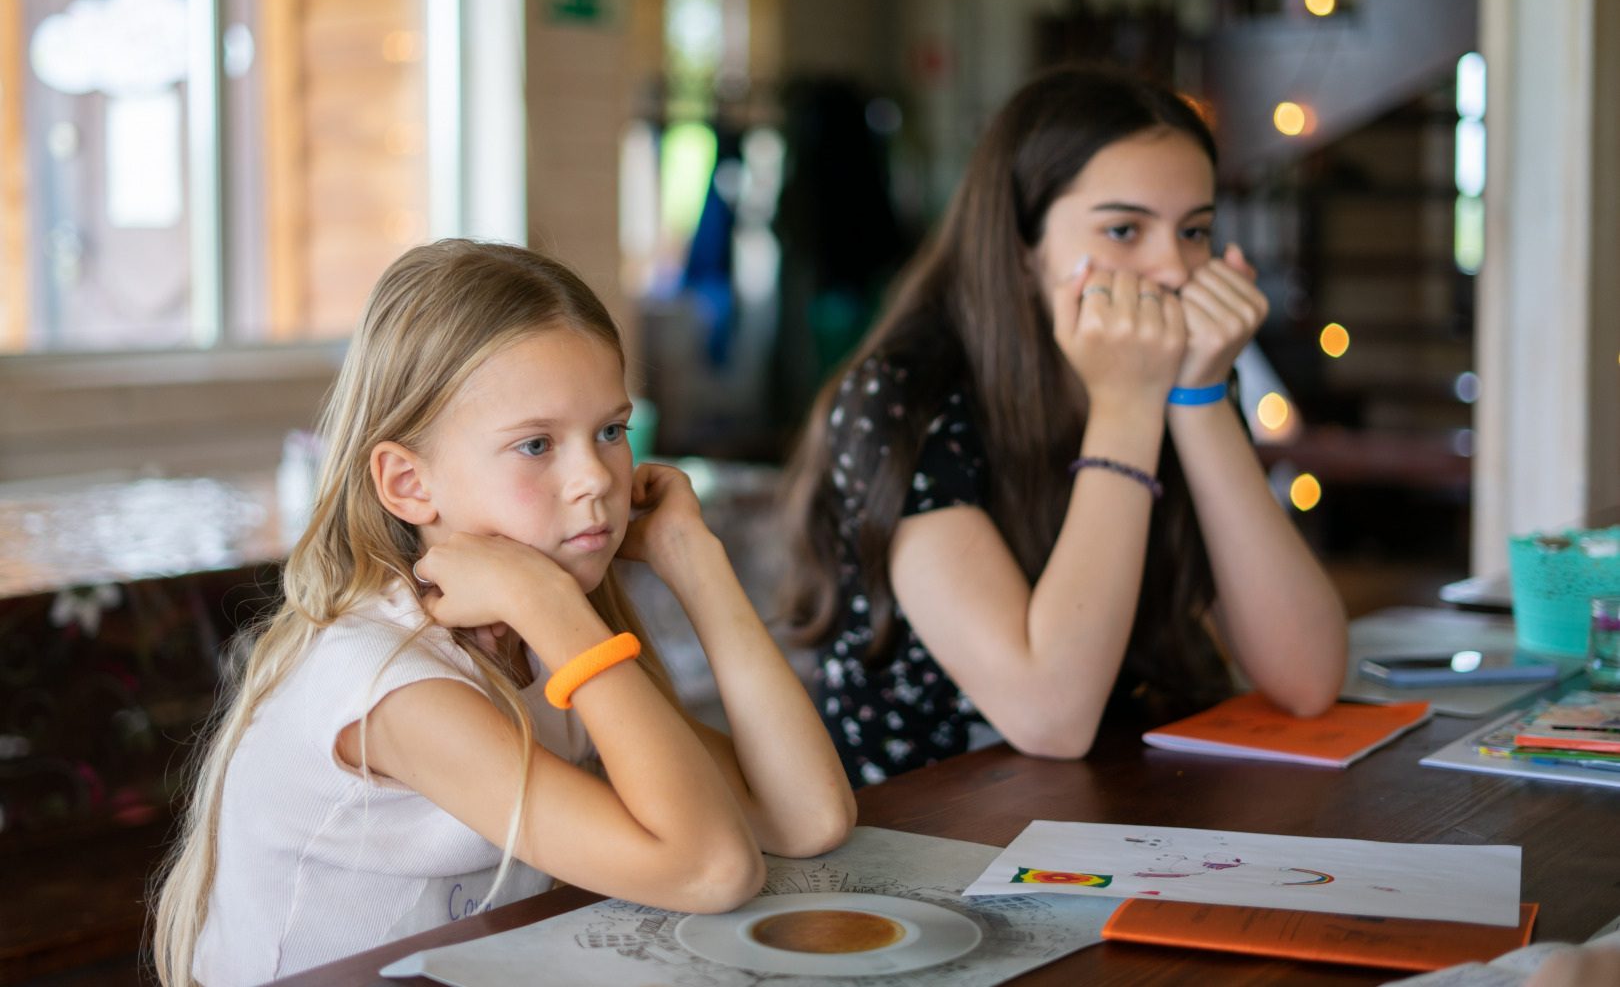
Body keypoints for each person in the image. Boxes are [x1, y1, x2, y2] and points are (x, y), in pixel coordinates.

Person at [153, 241, 856, 987]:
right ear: (409, 483)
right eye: (534, 444)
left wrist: (696, 562)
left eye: (611, 431)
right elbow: (712, 868)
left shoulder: (540, 634)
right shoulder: (393, 684)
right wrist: (551, 609)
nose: (594, 478)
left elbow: (805, 818)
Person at [781, 66, 1348, 787]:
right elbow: (1050, 716)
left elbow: (1306, 679)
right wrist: (1127, 408)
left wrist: (1199, 398)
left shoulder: (1184, 376)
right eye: (1123, 229)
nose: (1173, 269)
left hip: (1115, 819)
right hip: (919, 840)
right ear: (1024, 246)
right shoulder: (903, 395)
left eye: (1195, 230)